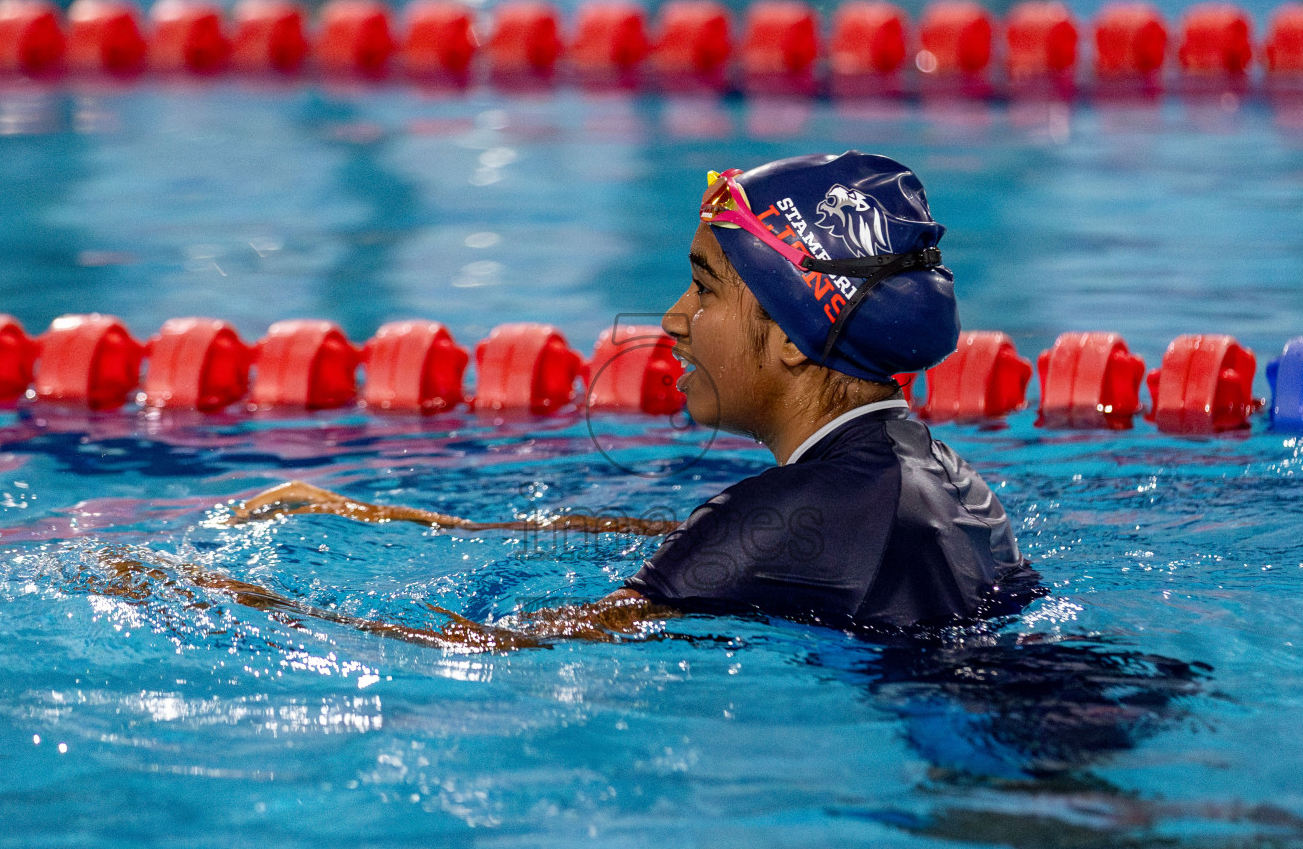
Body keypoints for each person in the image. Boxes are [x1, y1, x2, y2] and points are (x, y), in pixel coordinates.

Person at [221, 151, 1042, 649]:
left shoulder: (797, 511)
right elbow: (698, 540)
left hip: (989, 771)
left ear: (795, 335)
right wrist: (393, 521)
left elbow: (486, 654)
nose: (676, 322)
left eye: (703, 287)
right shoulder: (914, 470)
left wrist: (215, 600)